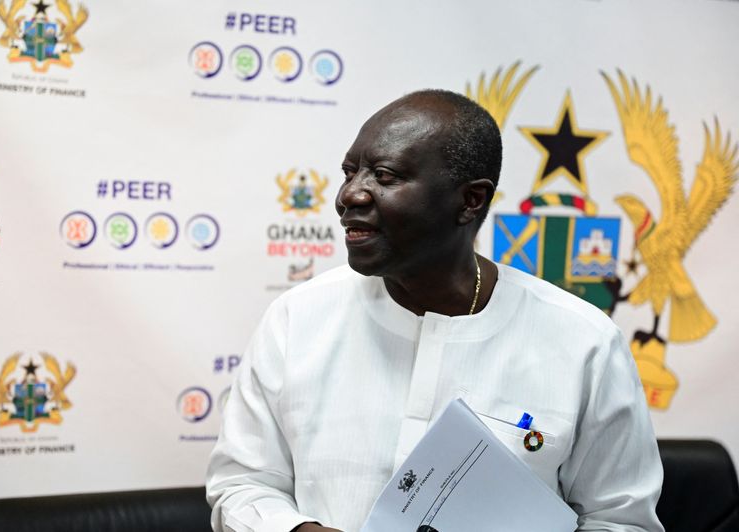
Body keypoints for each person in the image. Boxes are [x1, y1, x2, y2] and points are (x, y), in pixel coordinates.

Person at [206, 90, 664, 532]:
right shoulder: (297, 319)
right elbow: (242, 484)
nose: (351, 195)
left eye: (384, 176)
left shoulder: (583, 342)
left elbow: (621, 520)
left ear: (471, 200)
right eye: (350, 173)